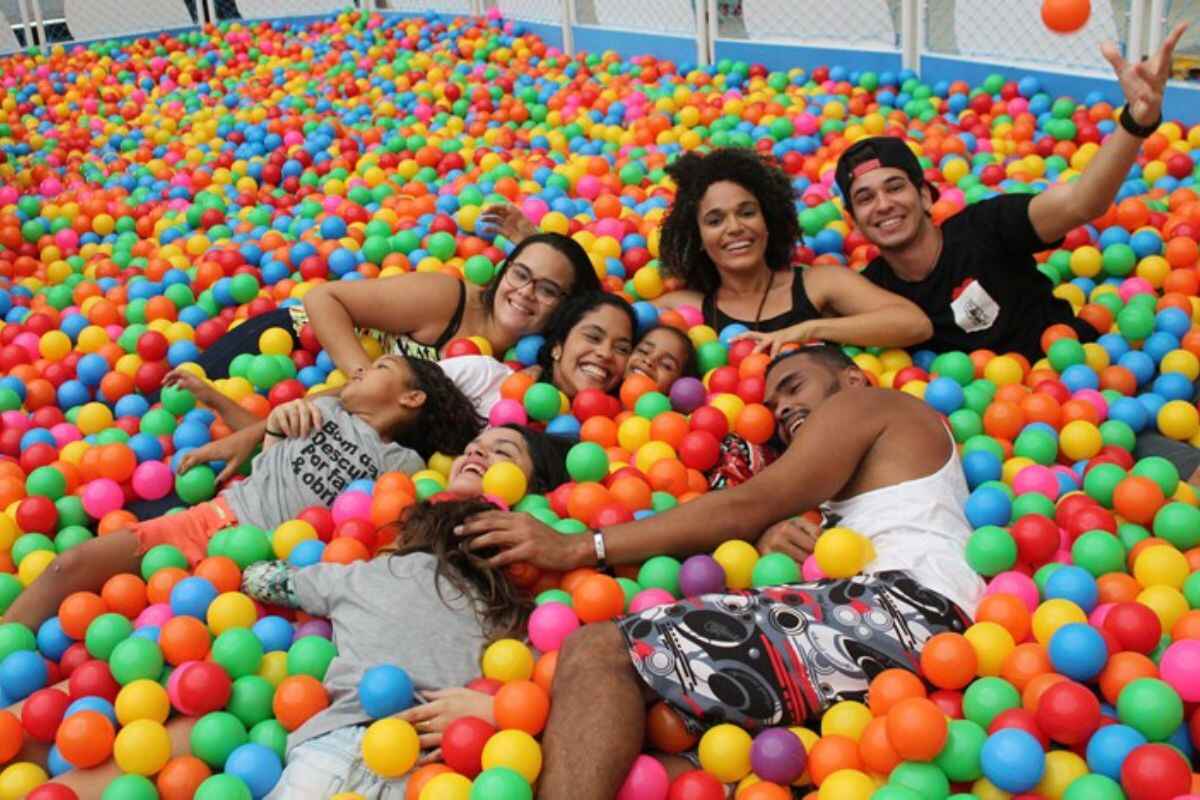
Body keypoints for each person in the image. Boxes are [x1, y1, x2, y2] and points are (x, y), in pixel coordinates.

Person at [456, 344, 985, 797]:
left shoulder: (864, 403)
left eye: (795, 386)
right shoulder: (860, 491)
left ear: (851, 378)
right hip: (923, 640)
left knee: (600, 651)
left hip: (905, 609)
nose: (784, 409)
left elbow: (752, 501)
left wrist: (579, 547)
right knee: (653, 753)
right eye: (774, 405)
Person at [36, 427, 574, 799]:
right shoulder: (513, 612)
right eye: (476, 445)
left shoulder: (363, 576)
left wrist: (252, 569)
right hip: (439, 764)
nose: (481, 453)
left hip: (368, 750)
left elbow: (269, 579)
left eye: (503, 452)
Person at [834, 25, 1195, 473]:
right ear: (852, 220)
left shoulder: (987, 227)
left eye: (895, 187)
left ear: (926, 196)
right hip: (1013, 447)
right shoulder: (873, 296)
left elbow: (1082, 202)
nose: (883, 204)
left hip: (1094, 383)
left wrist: (1136, 121)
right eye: (865, 198)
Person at [3, 354, 484, 630]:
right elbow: (262, 436)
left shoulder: (405, 466)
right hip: (209, 521)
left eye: (377, 367)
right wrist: (222, 400)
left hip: (268, 577)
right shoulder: (321, 410)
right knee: (67, 565)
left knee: (159, 638)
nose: (357, 372)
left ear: (412, 397)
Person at [483, 153, 934, 351]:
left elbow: (913, 323)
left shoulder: (818, 284)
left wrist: (809, 330)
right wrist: (533, 242)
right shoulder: (686, 309)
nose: (734, 228)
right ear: (697, 236)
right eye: (715, 220)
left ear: (768, 220)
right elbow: (591, 314)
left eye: (746, 213)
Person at [178, 231, 602, 383]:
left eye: (547, 289)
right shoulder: (448, 297)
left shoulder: (535, 358)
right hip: (287, 345)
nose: (527, 292)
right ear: (503, 271)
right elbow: (322, 296)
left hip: (313, 397)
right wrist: (363, 378)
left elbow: (604, 314)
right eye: (520, 274)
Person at [440, 291, 638, 418]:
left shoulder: (619, 433)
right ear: (557, 347)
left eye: (621, 349)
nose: (605, 353)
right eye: (593, 337)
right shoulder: (485, 376)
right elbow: (413, 384)